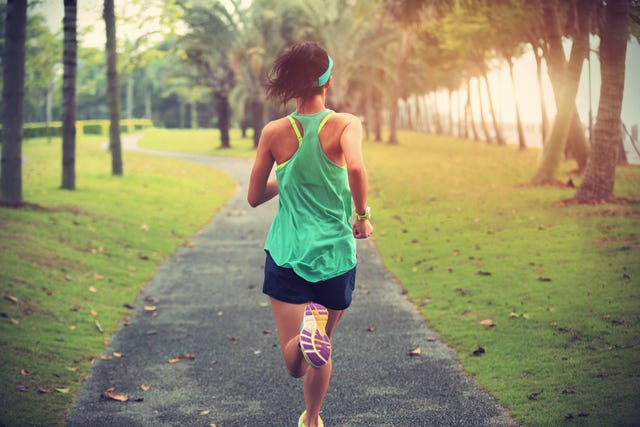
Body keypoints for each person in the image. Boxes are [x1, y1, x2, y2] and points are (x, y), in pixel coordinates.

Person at [247, 42, 373, 427]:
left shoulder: (273, 132)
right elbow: (355, 168)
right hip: (335, 256)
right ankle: (313, 419)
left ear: (292, 85)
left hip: (287, 255)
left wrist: (286, 177)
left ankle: (305, 336)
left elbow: (254, 197)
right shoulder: (346, 124)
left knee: (295, 363)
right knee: (322, 347)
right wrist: (362, 215)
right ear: (328, 81)